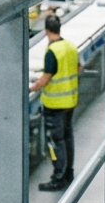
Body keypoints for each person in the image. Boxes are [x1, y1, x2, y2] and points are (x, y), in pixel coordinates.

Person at [28, 13, 77, 192]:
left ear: (47, 31)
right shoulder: (69, 46)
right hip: (70, 101)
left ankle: (58, 178)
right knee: (67, 138)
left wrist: (30, 88)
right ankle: (68, 173)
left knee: (56, 142)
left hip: (55, 105)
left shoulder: (52, 51)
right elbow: (78, 67)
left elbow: (45, 79)